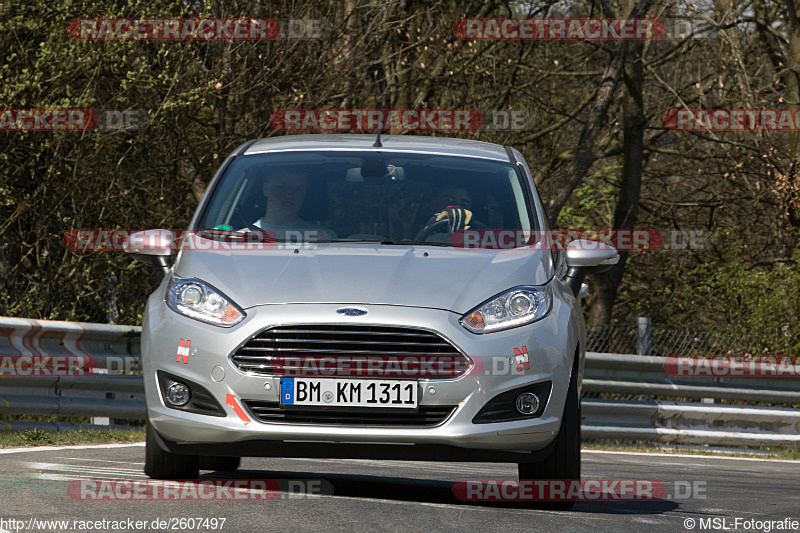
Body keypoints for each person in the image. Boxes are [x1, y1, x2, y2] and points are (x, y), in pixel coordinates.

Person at [252, 168, 335, 241]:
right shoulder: (244, 237)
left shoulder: (322, 237)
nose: (290, 194)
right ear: (266, 189)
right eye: (282, 187)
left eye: (298, 189)